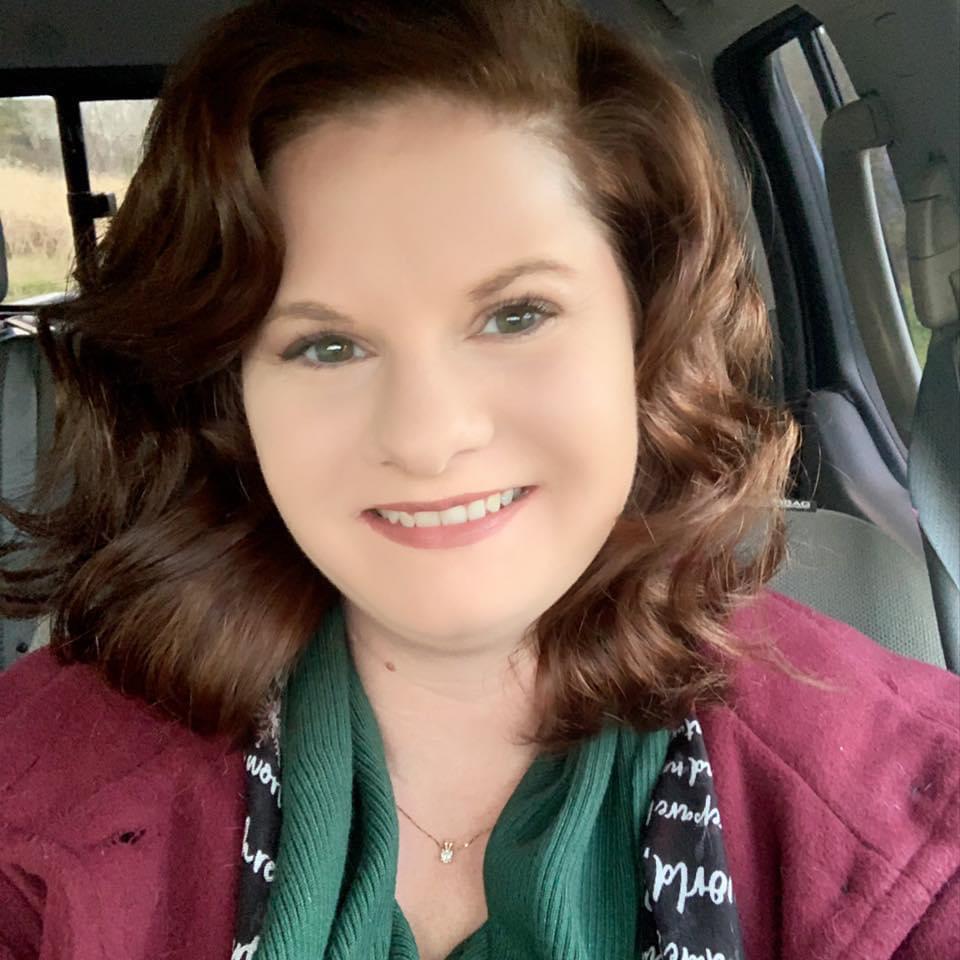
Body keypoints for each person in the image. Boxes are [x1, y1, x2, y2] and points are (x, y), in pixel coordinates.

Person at [0, 1, 956, 958]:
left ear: (647, 333)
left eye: (515, 315)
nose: (427, 438)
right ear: (232, 395)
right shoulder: (34, 786)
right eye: (326, 345)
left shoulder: (912, 820)